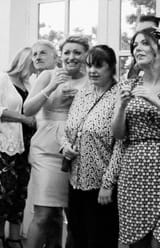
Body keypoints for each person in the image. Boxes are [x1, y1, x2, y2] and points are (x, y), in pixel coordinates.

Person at [23, 35, 90, 248]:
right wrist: (52, 86)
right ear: (61, 55)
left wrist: (80, 98)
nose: (72, 57)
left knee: (70, 216)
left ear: (86, 55)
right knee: (44, 213)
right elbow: (28, 109)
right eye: (67, 52)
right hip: (46, 148)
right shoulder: (48, 75)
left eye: (77, 52)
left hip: (79, 149)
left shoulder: (92, 80)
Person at [62, 45, 121, 247]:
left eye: (98, 66)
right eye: (89, 66)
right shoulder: (83, 93)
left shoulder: (119, 96)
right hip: (75, 179)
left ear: (111, 67)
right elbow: (67, 128)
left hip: (102, 183)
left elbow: (120, 145)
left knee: (100, 238)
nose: (92, 71)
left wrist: (107, 184)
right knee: (77, 235)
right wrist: (65, 146)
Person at [112, 27, 160, 247]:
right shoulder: (129, 85)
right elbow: (118, 134)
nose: (138, 48)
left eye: (145, 43)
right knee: (134, 239)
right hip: (134, 169)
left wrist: (155, 99)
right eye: (135, 45)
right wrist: (121, 107)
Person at [0, 47, 37, 248]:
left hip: (26, 143)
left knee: (20, 190)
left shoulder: (30, 84)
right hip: (4, 142)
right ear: (26, 60)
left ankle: (15, 236)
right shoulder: (2, 79)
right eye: (35, 60)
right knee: (3, 190)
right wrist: (23, 118)